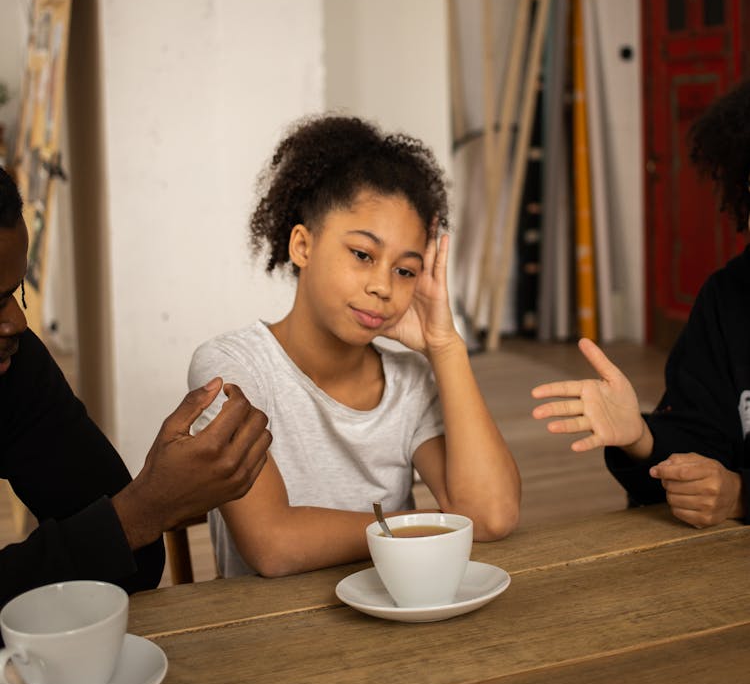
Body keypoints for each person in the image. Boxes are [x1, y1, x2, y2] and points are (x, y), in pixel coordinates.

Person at [188, 114, 521, 578]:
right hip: (272, 637)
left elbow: (491, 515)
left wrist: (445, 346)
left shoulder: (411, 382)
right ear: (303, 245)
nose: (383, 287)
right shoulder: (233, 367)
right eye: (363, 255)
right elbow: (273, 544)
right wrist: (425, 528)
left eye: (405, 270)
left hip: (398, 621)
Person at [0, 167, 271, 609]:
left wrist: (145, 507)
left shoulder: (17, 366)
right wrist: (139, 513)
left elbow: (135, 567)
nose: (16, 321)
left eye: (16, 293)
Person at [531, 78, 750, 528]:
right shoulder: (727, 298)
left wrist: (744, 495)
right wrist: (642, 438)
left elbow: (733, 492)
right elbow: (700, 448)